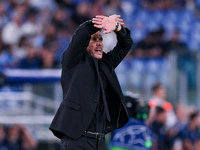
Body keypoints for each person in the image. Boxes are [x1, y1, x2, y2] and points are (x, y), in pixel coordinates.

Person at [49, 14, 133, 150]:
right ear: (85, 44)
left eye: (101, 39)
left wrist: (117, 28)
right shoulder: (72, 61)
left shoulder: (106, 63)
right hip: (77, 140)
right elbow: (81, 33)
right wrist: (101, 22)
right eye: (94, 39)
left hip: (100, 142)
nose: (99, 43)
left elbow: (126, 44)